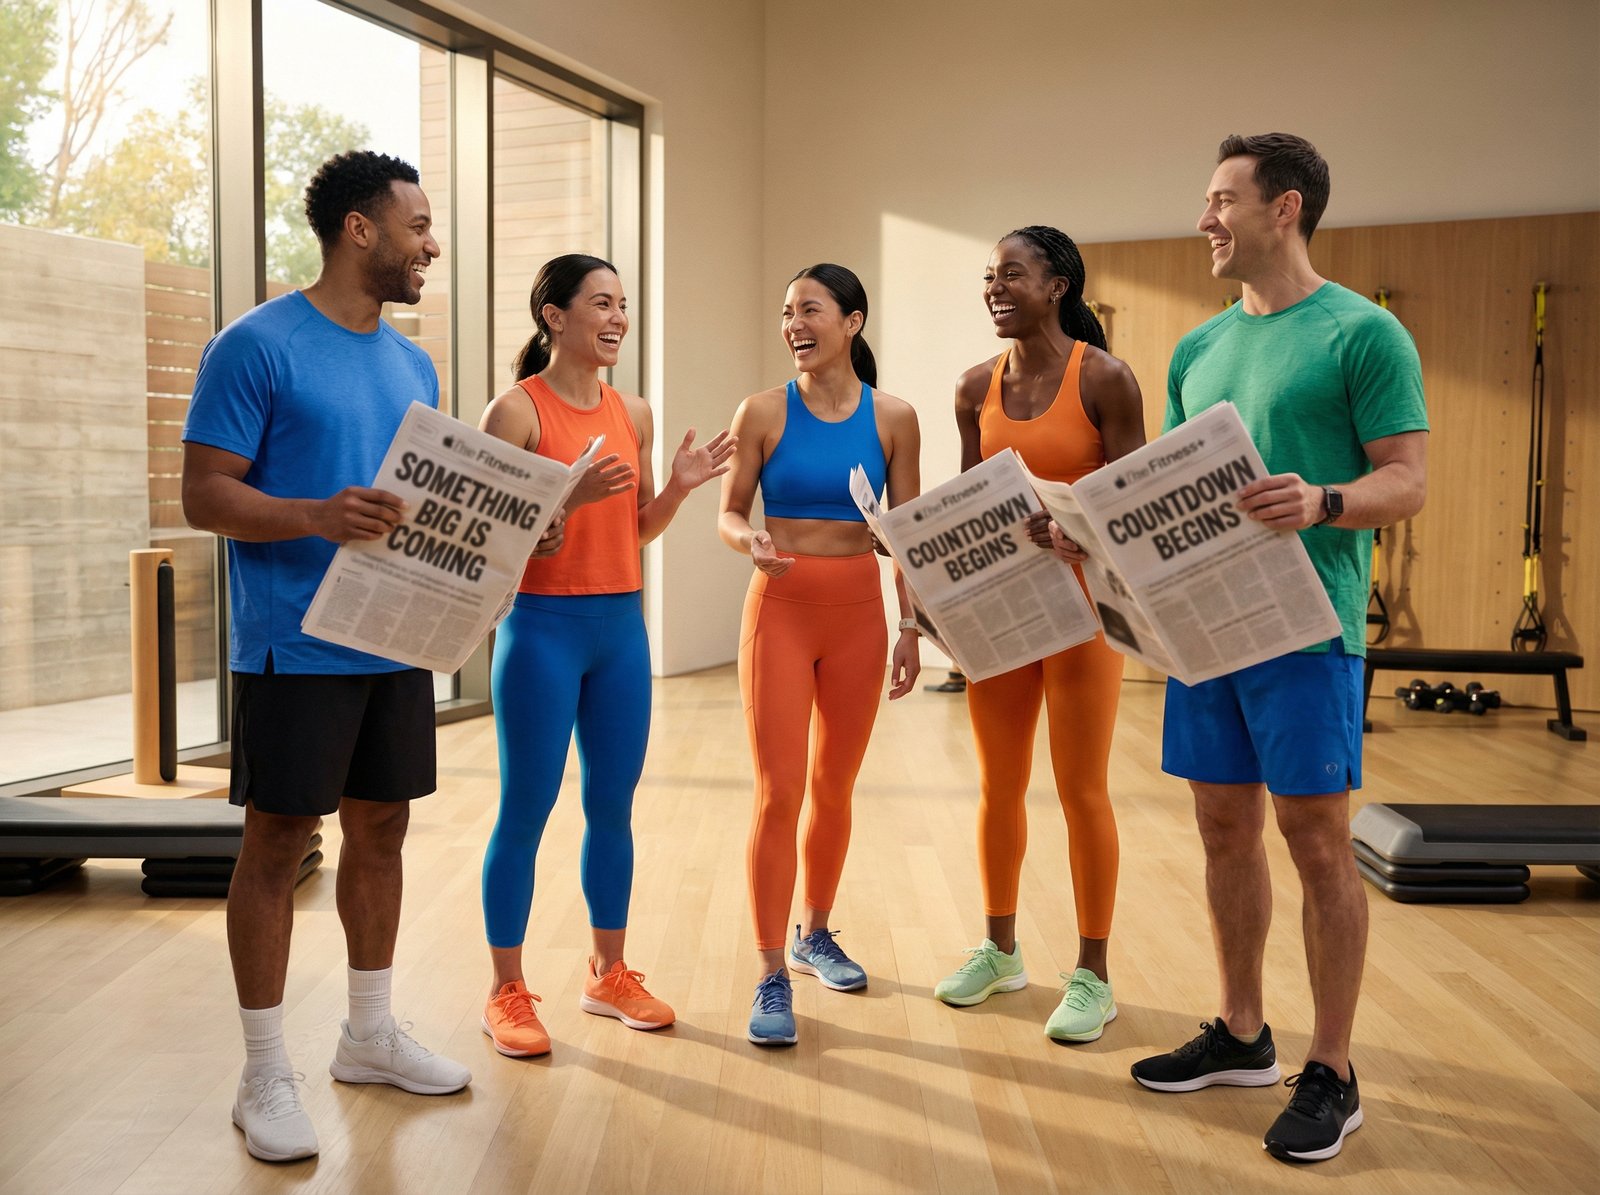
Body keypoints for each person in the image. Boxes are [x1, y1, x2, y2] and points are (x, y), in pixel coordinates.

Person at [1130, 134, 1427, 1164]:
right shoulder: (1197, 349)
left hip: (1310, 630)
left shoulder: (1364, 334)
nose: (1205, 219)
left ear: (1284, 208)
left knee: (1312, 839)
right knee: (1221, 828)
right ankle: (1243, 1032)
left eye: (1221, 200)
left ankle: (1332, 1069)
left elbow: (1407, 480)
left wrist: (1323, 499)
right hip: (1209, 630)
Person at [181, 151, 471, 1163]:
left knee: (382, 830)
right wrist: (313, 512)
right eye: (418, 226)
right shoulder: (253, 346)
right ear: (360, 230)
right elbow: (204, 495)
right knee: (278, 842)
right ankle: (264, 1070)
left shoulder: (414, 364)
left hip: (391, 637)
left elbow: (420, 505)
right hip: (291, 646)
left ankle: (369, 1033)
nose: (431, 244)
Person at [476, 253, 734, 1058]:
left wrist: (682, 487)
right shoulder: (516, 413)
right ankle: (505, 990)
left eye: (623, 304)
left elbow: (634, 532)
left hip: (620, 632)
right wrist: (565, 495)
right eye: (600, 303)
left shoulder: (637, 412)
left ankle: (608, 970)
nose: (617, 317)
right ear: (553, 316)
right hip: (541, 630)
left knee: (612, 809)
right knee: (526, 808)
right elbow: (488, 546)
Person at [934, 227, 1146, 1044]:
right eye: (989, 276)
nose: (995, 288)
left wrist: (1083, 529)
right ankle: (1000, 948)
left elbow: (1130, 503)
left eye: (1011, 275)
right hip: (1000, 613)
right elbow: (964, 500)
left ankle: (1093, 973)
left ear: (1057, 285)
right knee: (998, 785)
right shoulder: (971, 387)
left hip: (1082, 614)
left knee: (1081, 788)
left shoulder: (1107, 379)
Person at [718, 264, 921, 1046]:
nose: (792, 323)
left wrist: (910, 626)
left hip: (859, 618)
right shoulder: (762, 411)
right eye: (785, 312)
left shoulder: (895, 417)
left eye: (809, 309)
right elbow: (730, 512)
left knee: (834, 788)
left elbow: (905, 535)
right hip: (781, 609)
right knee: (779, 792)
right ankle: (771, 970)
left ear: (852, 321)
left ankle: (816, 933)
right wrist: (752, 541)